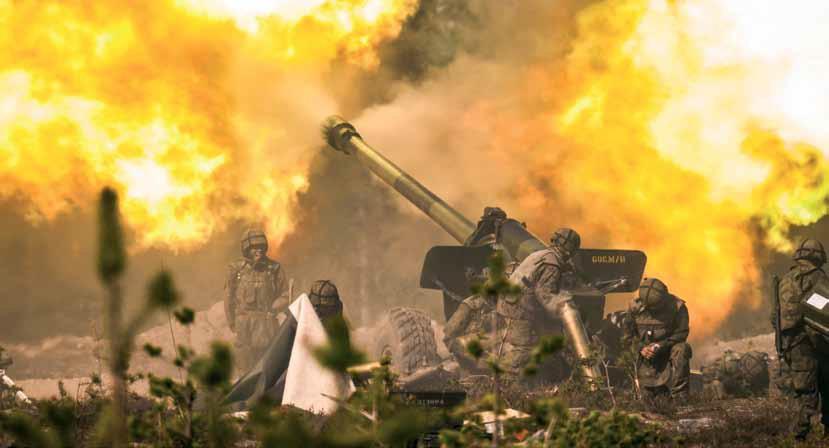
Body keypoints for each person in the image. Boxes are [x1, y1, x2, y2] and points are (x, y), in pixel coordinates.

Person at [495, 227, 582, 376]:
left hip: (511, 303)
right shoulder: (552, 264)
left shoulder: (541, 254)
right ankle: (503, 381)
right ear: (570, 249)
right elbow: (545, 295)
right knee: (525, 347)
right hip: (519, 308)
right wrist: (564, 307)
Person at [772, 238, 829, 440]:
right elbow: (823, 310)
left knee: (806, 389)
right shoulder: (817, 277)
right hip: (812, 343)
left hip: (791, 344)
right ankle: (798, 436)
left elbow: (776, 317)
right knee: (815, 392)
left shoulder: (786, 279)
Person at [224, 228, 290, 372]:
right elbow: (228, 297)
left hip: (267, 326)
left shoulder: (274, 269)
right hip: (245, 328)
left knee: (268, 368)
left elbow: (285, 294)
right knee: (246, 370)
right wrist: (232, 322)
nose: (258, 251)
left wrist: (275, 308)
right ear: (246, 249)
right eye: (254, 248)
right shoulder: (236, 270)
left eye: (261, 247)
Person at [623, 277, 692, 399]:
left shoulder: (677, 307)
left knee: (682, 349)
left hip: (667, 351)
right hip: (644, 357)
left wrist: (661, 345)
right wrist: (641, 348)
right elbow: (628, 337)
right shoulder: (635, 308)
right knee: (648, 399)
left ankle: (680, 396)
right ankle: (635, 389)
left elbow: (681, 333)